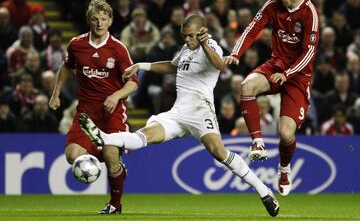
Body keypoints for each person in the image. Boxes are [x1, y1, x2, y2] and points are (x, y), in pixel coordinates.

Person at [79, 13, 280, 217]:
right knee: (145, 136)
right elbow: (172, 66)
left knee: (219, 152)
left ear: (202, 32)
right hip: (177, 112)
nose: (187, 39)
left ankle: (264, 191)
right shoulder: (186, 48)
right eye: (184, 36)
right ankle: (103, 138)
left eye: (191, 36)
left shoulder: (211, 45)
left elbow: (220, 65)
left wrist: (204, 44)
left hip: (200, 111)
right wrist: (141, 66)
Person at [224, 0, 320, 197]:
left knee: (286, 134)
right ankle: (257, 143)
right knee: (246, 86)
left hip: (298, 76)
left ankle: (284, 170)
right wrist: (236, 53)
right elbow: (252, 28)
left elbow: (309, 53)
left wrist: (287, 74)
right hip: (275, 64)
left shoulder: (310, 14)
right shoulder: (273, 4)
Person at [49, 0, 138, 214]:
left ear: (110, 21)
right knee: (72, 155)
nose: (99, 23)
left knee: (109, 154)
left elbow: (133, 83)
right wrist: (56, 93)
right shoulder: (76, 45)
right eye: (95, 19)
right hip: (86, 112)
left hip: (112, 111)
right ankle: (114, 163)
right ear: (89, 20)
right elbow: (66, 67)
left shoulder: (118, 49)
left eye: (104, 19)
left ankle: (115, 205)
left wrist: (116, 96)